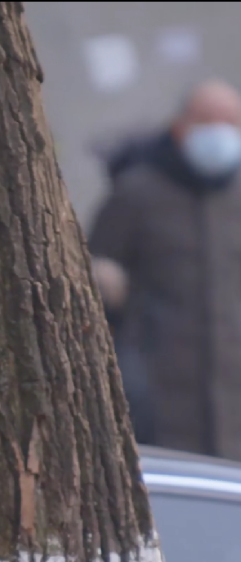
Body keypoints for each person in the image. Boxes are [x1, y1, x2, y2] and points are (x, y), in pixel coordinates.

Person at [89, 79, 241, 457]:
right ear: (180, 127)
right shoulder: (136, 194)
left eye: (230, 122)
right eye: (206, 120)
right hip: (158, 404)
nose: (219, 133)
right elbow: (95, 275)